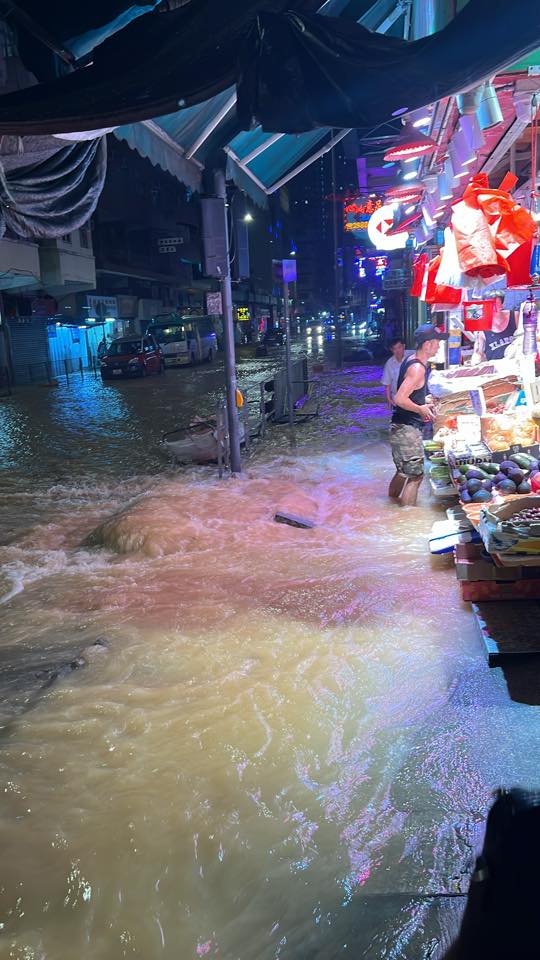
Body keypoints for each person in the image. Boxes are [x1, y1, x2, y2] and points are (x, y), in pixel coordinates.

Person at [388, 323, 448, 506]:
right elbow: (399, 398)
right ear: (427, 344)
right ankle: (407, 518)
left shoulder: (413, 360)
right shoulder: (418, 368)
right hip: (407, 429)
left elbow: (411, 393)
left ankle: (390, 504)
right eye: (437, 342)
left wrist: (425, 401)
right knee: (416, 476)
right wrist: (421, 409)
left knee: (403, 471)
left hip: (400, 427)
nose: (439, 346)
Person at [471, 296, 516, 363]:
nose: (493, 308)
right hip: (496, 368)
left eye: (496, 304)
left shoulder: (515, 316)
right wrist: (476, 358)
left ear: (502, 305)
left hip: (516, 364)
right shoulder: (481, 329)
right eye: (489, 305)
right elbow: (478, 352)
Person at [381, 337, 414, 410]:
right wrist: (389, 399)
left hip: (413, 396)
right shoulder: (389, 364)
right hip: (397, 398)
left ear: (404, 346)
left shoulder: (412, 355)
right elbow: (387, 384)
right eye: (394, 349)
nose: (397, 351)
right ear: (391, 350)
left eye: (399, 347)